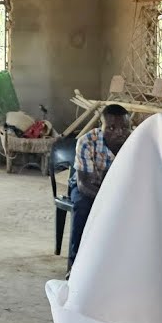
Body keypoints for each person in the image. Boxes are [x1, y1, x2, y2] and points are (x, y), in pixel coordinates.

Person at [68, 104, 132, 271]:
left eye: (124, 128)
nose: (119, 132)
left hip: (119, 188)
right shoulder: (87, 142)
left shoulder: (135, 142)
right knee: (82, 207)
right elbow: (83, 184)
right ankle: (74, 266)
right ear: (100, 127)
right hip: (89, 187)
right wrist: (110, 201)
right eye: (111, 127)